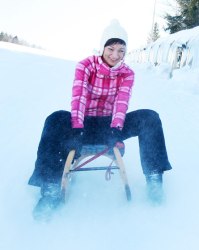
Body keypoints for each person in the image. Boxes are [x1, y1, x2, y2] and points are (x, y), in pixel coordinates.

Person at [28, 20, 172, 219]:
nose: (115, 55)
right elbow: (78, 98)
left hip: (111, 125)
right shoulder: (86, 66)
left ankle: (155, 179)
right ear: (103, 47)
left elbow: (122, 103)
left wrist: (115, 129)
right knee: (55, 119)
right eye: (111, 48)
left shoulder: (127, 73)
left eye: (121, 50)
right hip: (84, 123)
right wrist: (77, 129)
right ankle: (50, 188)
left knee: (149, 117)